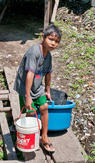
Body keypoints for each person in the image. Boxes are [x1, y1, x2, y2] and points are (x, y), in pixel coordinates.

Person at [14, 24, 62, 153]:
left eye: (56, 41)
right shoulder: (33, 52)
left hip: (37, 86)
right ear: (43, 37)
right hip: (25, 86)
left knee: (44, 107)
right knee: (30, 111)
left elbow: (48, 73)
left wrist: (47, 90)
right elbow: (29, 74)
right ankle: (27, 135)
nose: (53, 43)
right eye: (51, 39)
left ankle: (44, 137)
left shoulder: (49, 56)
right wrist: (28, 96)